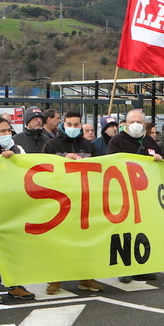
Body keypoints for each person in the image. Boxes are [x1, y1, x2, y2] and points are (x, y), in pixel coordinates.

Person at [41, 110, 102, 294]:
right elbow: (43, 168)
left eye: (76, 125)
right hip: (59, 202)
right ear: (63, 124)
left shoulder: (89, 146)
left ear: (81, 125)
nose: (73, 128)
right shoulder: (52, 144)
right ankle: (54, 279)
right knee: (58, 242)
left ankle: (86, 277)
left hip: (84, 202)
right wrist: (62, 161)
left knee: (86, 241)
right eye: (69, 124)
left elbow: (101, 168)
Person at [0, 117, 35, 304]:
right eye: (2, 131)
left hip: (16, 210)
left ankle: (14, 285)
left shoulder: (19, 151)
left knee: (17, 247)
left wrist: (14, 159)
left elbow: (30, 172)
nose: (7, 134)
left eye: (9, 130)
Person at [107, 109, 163, 283]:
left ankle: (142, 267)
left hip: (146, 195)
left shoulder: (150, 141)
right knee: (125, 232)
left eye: (139, 121)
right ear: (126, 123)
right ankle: (125, 268)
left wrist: (160, 160)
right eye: (132, 122)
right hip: (124, 194)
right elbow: (112, 164)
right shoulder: (117, 141)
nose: (136, 124)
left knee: (144, 232)